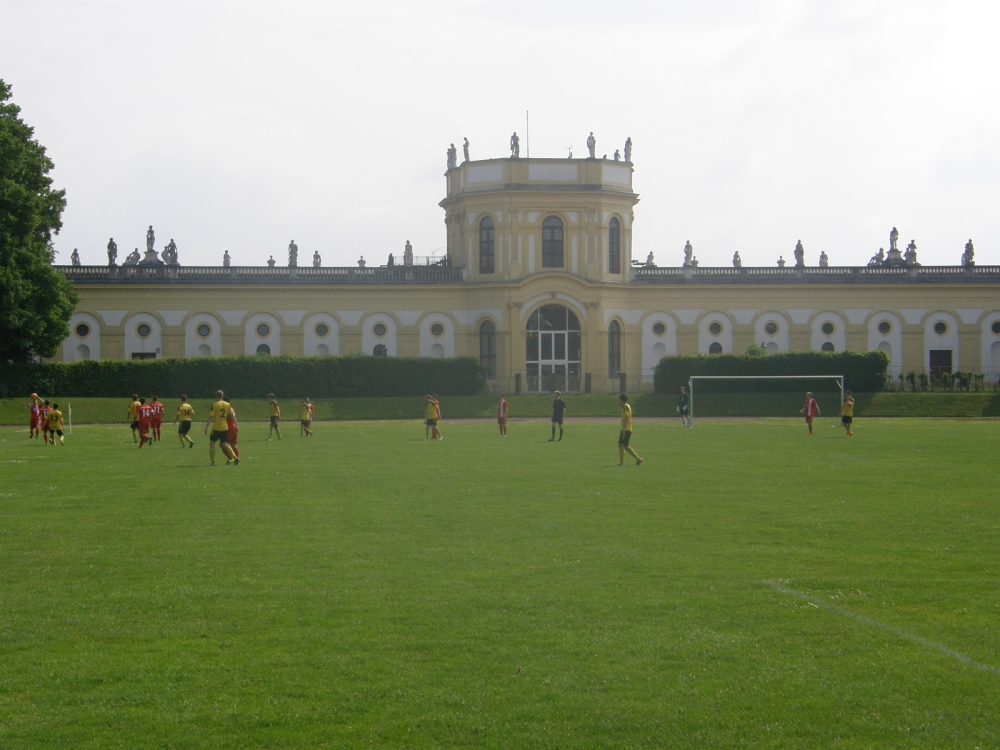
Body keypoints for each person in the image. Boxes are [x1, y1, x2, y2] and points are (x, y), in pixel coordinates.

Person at [205, 390, 239, 466]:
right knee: (224, 444)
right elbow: (233, 416)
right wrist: (236, 425)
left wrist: (206, 427)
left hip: (216, 427)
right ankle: (235, 458)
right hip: (224, 427)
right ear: (222, 396)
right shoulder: (227, 404)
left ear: (215, 396)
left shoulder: (214, 405)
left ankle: (213, 462)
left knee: (212, 443)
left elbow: (211, 416)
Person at [618, 394, 643, 466]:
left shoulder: (625, 406)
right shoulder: (627, 406)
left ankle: (621, 463)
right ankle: (638, 459)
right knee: (626, 446)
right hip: (628, 429)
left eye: (619, 400)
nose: (619, 401)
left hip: (626, 429)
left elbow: (626, 417)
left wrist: (624, 429)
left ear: (622, 400)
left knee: (621, 445)